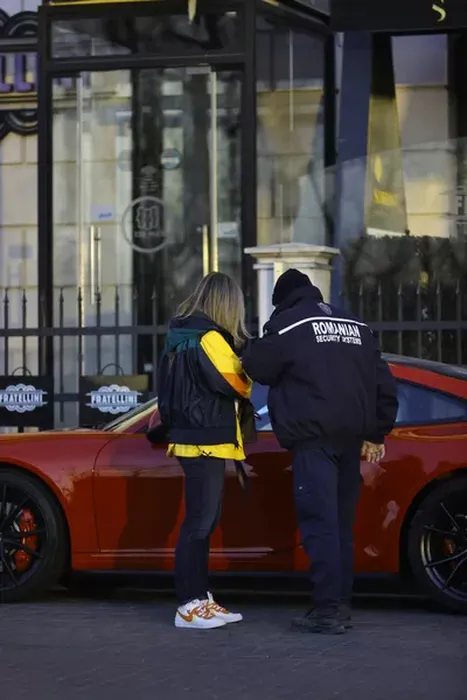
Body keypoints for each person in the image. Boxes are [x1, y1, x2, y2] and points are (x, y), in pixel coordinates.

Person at [242, 268, 398, 635]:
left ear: (281, 301)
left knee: (320, 526)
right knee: (341, 527)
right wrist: (377, 432)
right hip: (351, 441)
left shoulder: (289, 326)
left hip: (314, 442)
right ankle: (340, 606)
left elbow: (256, 366)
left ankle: (326, 610)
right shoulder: (356, 326)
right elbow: (384, 383)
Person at [157, 272, 253, 630]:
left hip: (192, 436)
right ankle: (189, 605)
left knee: (203, 521)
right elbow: (238, 383)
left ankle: (200, 599)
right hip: (206, 439)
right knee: (200, 523)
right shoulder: (210, 338)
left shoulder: (183, 335)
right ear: (227, 304)